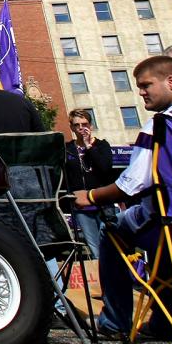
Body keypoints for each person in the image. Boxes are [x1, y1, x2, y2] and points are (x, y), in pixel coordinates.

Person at [72, 55, 172, 340]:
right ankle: (167, 320)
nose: (141, 91)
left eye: (146, 84)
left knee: (111, 230)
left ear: (171, 81)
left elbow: (130, 185)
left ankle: (115, 322)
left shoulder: (161, 125)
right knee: (156, 222)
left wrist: (91, 195)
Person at [61, 108, 115, 258]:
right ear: (71, 127)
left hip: (102, 202)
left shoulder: (102, 145)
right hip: (81, 206)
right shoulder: (68, 150)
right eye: (77, 125)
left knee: (111, 242)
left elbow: (105, 168)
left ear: (90, 125)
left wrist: (89, 147)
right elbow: (64, 176)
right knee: (94, 247)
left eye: (84, 124)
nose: (81, 128)